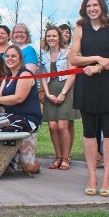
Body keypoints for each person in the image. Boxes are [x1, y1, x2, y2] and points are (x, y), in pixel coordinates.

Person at [70, 0, 109, 197]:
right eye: (88, 6)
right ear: (84, 9)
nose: (92, 8)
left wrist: (100, 67)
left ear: (102, 7)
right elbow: (74, 59)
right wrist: (96, 59)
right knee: (89, 131)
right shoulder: (79, 29)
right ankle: (92, 175)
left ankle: (107, 178)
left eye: (95, 5)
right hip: (86, 85)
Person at [0, 45, 42, 175]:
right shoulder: (8, 76)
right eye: (8, 56)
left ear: (20, 58)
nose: (10, 59)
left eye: (13, 56)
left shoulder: (25, 74)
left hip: (28, 118)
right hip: (12, 116)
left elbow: (18, 98)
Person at [39, 26, 76, 171]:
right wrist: (47, 93)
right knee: (52, 126)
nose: (51, 39)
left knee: (62, 125)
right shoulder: (44, 55)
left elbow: (72, 74)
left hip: (66, 88)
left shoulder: (68, 52)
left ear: (59, 37)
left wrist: (63, 93)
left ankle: (66, 158)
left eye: (54, 36)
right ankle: (58, 157)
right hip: (50, 89)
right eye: (48, 36)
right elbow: (42, 76)